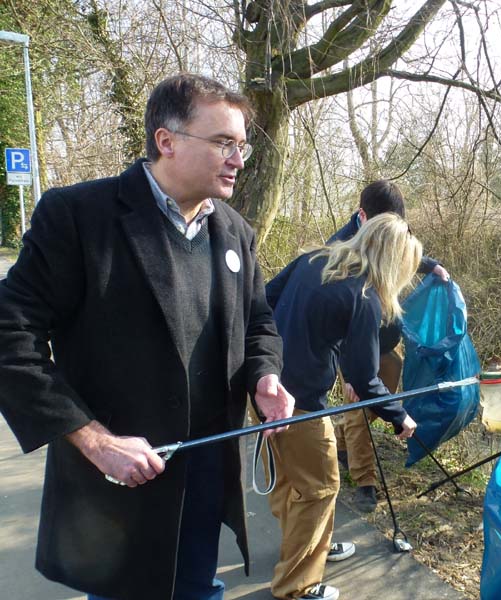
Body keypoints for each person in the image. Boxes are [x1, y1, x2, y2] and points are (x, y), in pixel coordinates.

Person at [0, 73, 294, 600]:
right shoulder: (79, 218)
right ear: (167, 141)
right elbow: (9, 336)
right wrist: (94, 439)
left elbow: (259, 324)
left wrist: (265, 375)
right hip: (118, 486)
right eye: (224, 142)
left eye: (242, 144)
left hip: (206, 476)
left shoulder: (234, 233)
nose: (239, 159)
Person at [264, 213, 422, 600]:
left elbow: (265, 298)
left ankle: (301, 552)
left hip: (265, 389)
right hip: (300, 403)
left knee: (290, 479)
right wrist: (400, 415)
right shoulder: (364, 295)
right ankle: (297, 585)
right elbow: (366, 379)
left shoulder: (314, 258)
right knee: (320, 487)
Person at [329, 179, 448, 512]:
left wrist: (432, 265)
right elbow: (331, 312)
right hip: (353, 346)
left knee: (382, 402)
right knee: (360, 406)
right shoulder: (339, 248)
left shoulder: (393, 228)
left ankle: (340, 443)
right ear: (364, 217)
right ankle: (364, 482)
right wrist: (350, 371)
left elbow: (406, 249)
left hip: (385, 340)